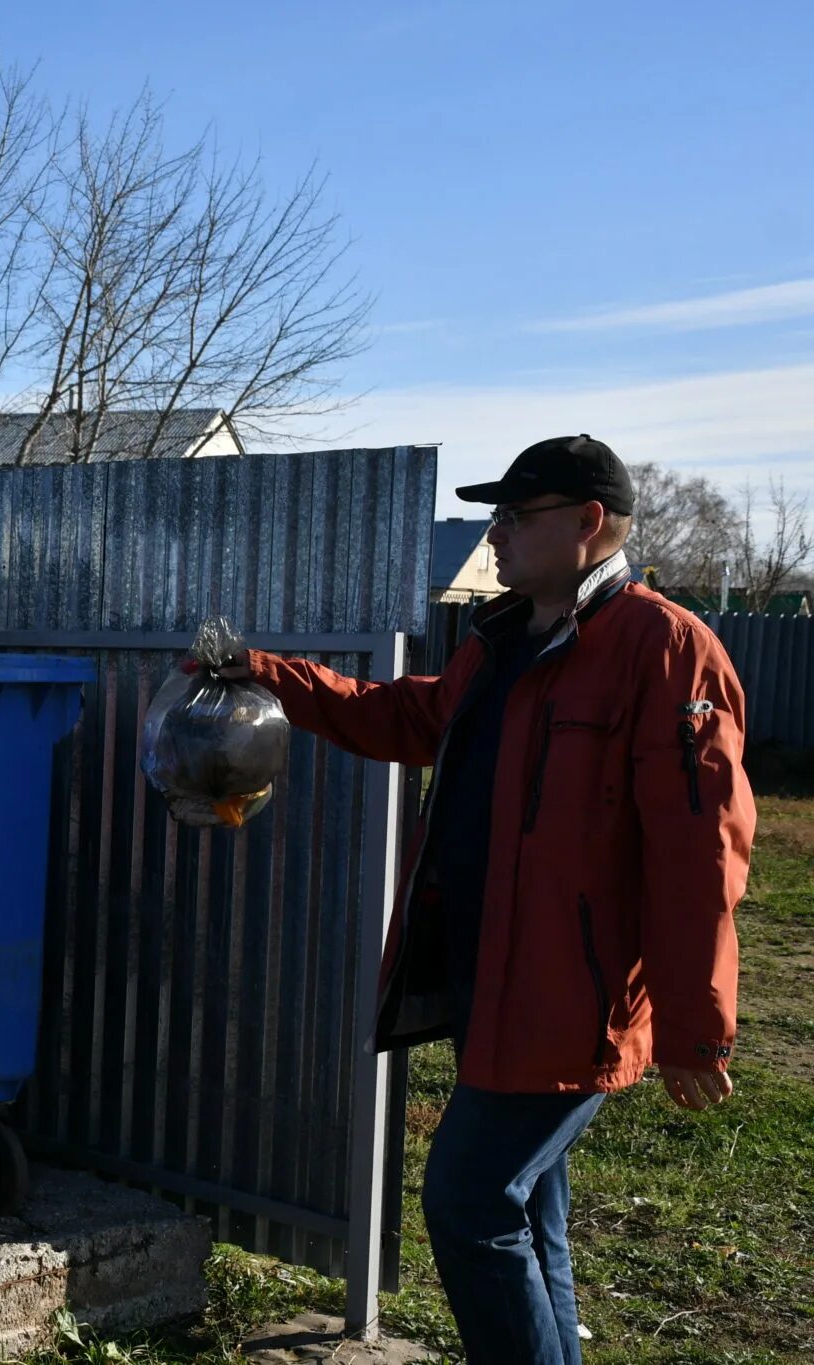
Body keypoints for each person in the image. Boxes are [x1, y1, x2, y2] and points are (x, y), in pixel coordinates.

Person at [202, 435, 755, 1365]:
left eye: (514, 516)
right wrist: (270, 675)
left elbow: (701, 850)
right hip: (492, 978)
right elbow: (406, 716)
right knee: (530, 1213)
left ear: (586, 523)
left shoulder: (664, 647)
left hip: (569, 1000)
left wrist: (697, 1027)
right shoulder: (507, 641)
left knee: (467, 1204)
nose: (493, 534)